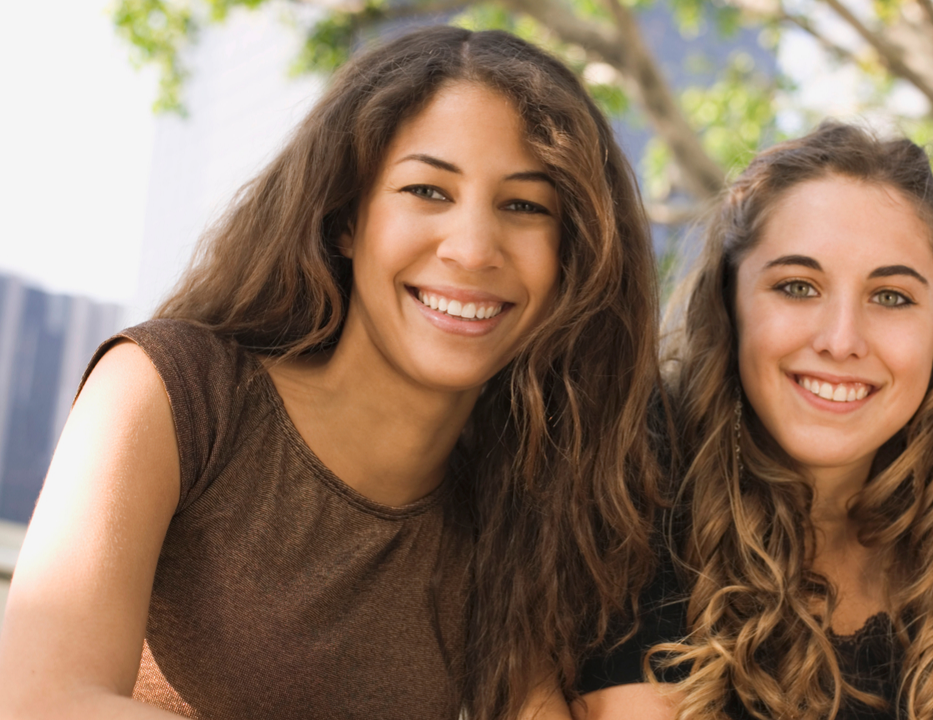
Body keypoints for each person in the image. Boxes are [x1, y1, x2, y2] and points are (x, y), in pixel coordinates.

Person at [0, 26, 664, 720]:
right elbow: (45, 700)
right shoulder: (170, 390)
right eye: (427, 190)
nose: (472, 249)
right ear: (345, 219)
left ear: (572, 258)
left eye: (525, 206)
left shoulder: (514, 509)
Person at [575, 121, 933, 720]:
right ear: (730, 302)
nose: (841, 340)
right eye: (798, 286)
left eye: (891, 296)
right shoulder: (635, 477)